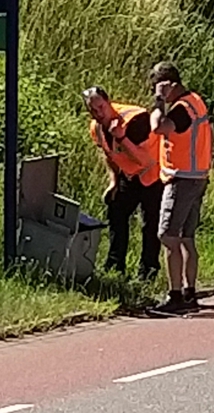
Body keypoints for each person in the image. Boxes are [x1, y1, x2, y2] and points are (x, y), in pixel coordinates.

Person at [148, 62, 213, 314]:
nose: (159, 93)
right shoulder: (196, 101)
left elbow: (158, 127)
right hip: (197, 176)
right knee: (187, 237)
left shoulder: (182, 109)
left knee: (169, 236)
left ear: (170, 85)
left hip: (182, 178)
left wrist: (158, 103)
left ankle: (175, 297)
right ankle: (190, 292)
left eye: (160, 88)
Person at [82, 86, 163, 281]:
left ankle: (148, 272)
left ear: (108, 102)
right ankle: (115, 267)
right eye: (93, 110)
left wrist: (121, 137)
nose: (98, 113)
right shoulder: (97, 127)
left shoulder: (136, 120)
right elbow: (108, 154)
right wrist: (113, 181)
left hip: (154, 175)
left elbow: (145, 160)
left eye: (101, 107)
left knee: (150, 225)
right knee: (116, 210)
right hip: (128, 176)